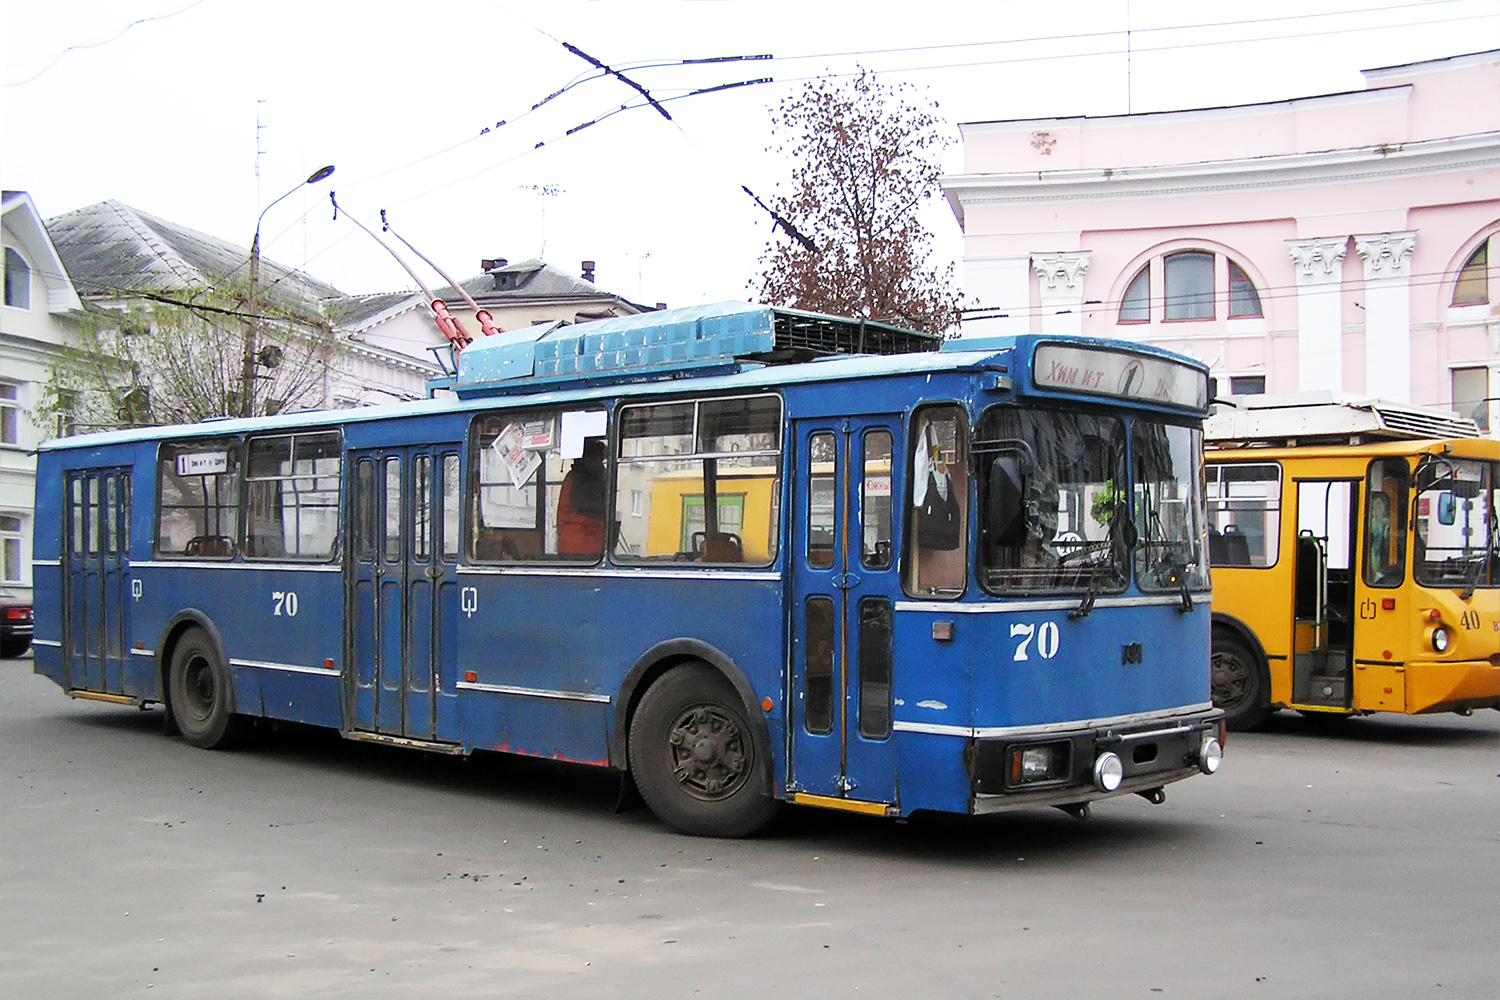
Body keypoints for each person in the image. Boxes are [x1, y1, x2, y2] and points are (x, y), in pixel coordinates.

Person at [557, 437, 607, 557]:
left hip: (583, 546)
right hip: (580, 548)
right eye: (599, 461)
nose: (601, 465)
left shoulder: (579, 478)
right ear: (588, 460)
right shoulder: (580, 481)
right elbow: (596, 510)